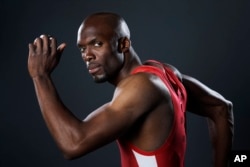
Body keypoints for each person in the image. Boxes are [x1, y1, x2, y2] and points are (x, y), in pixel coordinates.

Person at [27, 12, 234, 167]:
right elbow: (221, 108)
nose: (87, 55)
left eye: (97, 44)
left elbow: (73, 144)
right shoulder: (164, 72)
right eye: (82, 48)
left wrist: (40, 76)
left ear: (123, 44)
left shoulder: (141, 87)